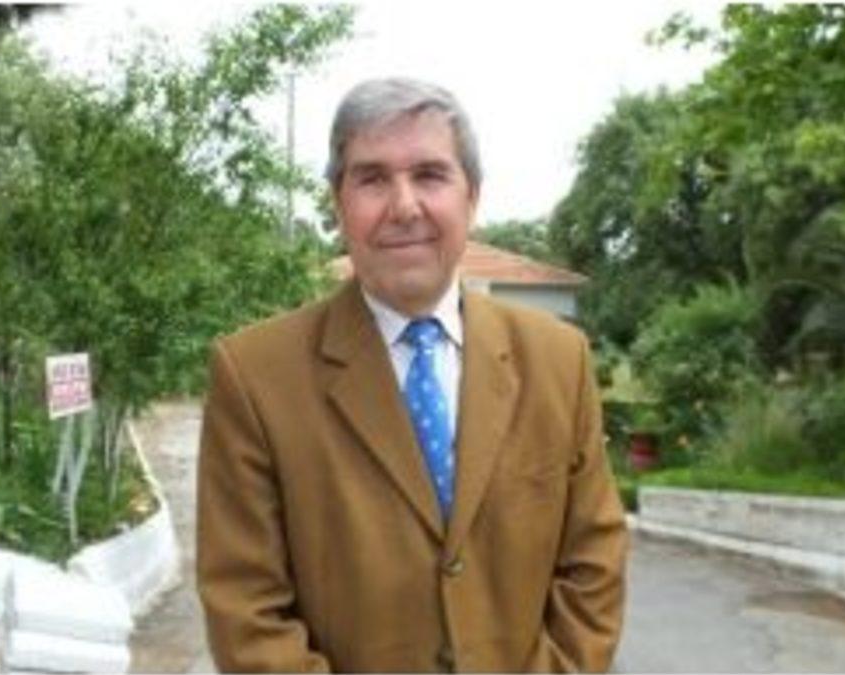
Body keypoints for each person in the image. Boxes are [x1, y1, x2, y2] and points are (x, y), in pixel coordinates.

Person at [196, 77, 627, 672]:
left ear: (471, 197)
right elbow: (247, 609)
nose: (403, 206)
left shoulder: (559, 360)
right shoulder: (254, 377)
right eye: (372, 179)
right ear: (338, 204)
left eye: (429, 175)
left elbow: (594, 565)